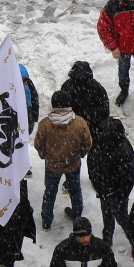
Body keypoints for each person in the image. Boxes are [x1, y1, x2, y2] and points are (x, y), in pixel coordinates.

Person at [32, 91, 92, 230]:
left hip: (52, 165)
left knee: (50, 192)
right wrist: (79, 155)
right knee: (75, 190)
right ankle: (77, 215)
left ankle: (46, 219)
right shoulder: (79, 122)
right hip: (73, 164)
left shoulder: (45, 124)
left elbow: (38, 144)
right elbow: (87, 143)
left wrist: (45, 156)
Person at [86, 117, 134, 249]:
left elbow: (128, 177)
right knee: (107, 215)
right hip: (104, 189)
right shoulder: (101, 143)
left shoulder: (123, 150)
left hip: (116, 192)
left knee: (122, 218)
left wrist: (120, 194)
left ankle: (133, 239)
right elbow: (92, 162)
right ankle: (107, 239)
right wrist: (97, 184)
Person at [59, 61, 111, 140]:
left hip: (73, 126)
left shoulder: (67, 86)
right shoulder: (96, 87)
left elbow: (61, 106)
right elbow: (104, 108)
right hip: (92, 127)